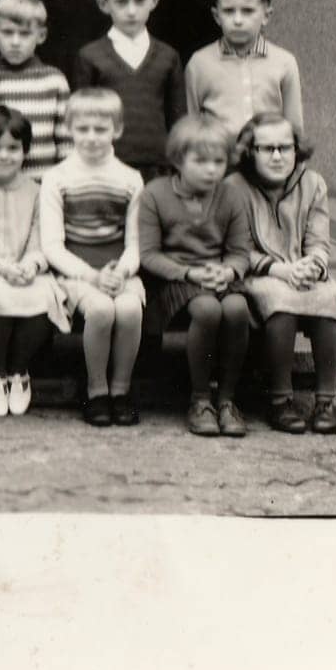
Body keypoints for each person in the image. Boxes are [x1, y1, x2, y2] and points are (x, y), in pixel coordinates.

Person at [225, 113, 336, 435]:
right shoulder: (234, 187)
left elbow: (320, 241)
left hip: (302, 270)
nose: (278, 156)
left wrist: (312, 265)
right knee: (279, 298)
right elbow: (236, 247)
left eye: (285, 147)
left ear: (297, 150)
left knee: (328, 293)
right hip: (260, 274)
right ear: (251, 151)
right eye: (267, 149)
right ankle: (279, 400)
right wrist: (281, 270)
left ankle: (326, 400)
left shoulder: (313, 183)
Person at [138, 115, 254, 437]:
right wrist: (189, 272)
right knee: (206, 309)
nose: (211, 169)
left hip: (218, 274)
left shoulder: (231, 196)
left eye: (218, 161)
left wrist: (229, 270)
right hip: (175, 278)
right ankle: (200, 398)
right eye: (200, 161)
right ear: (177, 159)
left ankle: (228, 399)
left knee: (237, 308)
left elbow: (239, 251)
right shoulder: (155, 194)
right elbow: (148, 254)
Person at [39, 88, 147, 427]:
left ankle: (121, 389)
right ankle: (96, 389)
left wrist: (123, 271)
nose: (91, 137)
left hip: (119, 270)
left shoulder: (130, 178)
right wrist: (91, 276)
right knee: (100, 310)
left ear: (117, 130)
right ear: (69, 129)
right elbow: (53, 246)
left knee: (128, 309)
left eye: (101, 129)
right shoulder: (57, 178)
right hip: (76, 272)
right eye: (82, 129)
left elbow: (135, 242)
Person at [0, 105, 66, 419]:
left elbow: (42, 234)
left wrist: (32, 265)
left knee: (45, 294)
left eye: (12, 148)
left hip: (27, 268)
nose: (3, 156)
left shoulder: (37, 189)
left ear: (25, 151)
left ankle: (19, 370)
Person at [71, 0, 187, 181]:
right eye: (122, 2)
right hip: (105, 165)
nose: (132, 11)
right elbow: (80, 115)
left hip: (158, 168)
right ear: (104, 4)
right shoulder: (90, 56)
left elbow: (178, 119)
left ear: (154, 1)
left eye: (140, 1)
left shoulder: (168, 56)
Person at [185, 0, 304, 138]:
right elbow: (192, 124)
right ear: (216, 16)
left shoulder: (284, 62)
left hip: (267, 158)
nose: (238, 20)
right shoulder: (199, 63)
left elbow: (294, 125)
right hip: (219, 159)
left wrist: (296, 162)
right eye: (228, 11)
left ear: (266, 16)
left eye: (248, 11)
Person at [0, 0, 72, 179]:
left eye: (25, 34)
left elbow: (66, 144)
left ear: (41, 36)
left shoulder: (54, 81)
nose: (15, 42)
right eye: (7, 33)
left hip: (44, 190)